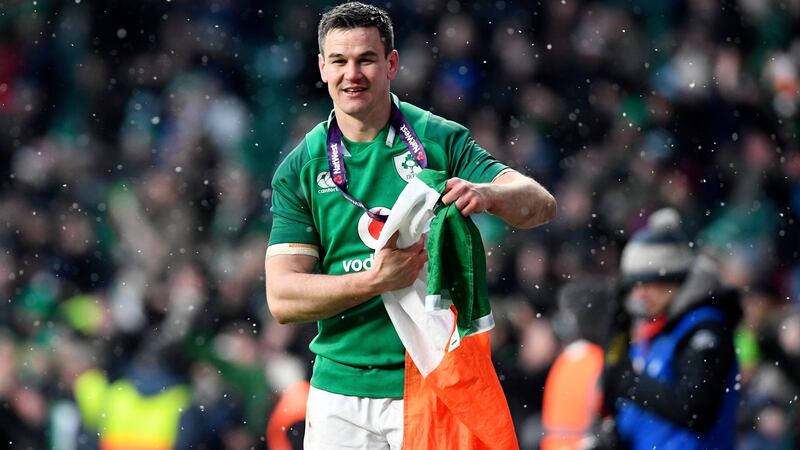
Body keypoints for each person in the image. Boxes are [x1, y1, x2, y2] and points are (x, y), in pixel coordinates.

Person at [264, 2, 556, 448]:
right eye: (339, 61)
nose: (352, 74)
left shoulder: (440, 139)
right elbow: (283, 298)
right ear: (322, 68)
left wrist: (490, 195)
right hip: (338, 391)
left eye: (366, 59)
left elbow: (540, 204)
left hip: (429, 381)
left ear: (392, 64)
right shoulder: (300, 167)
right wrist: (374, 281)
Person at [600, 207, 741, 450]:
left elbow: (695, 410)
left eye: (650, 282)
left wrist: (629, 382)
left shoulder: (705, 330)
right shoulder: (656, 329)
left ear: (676, 278)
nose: (640, 294)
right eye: (635, 284)